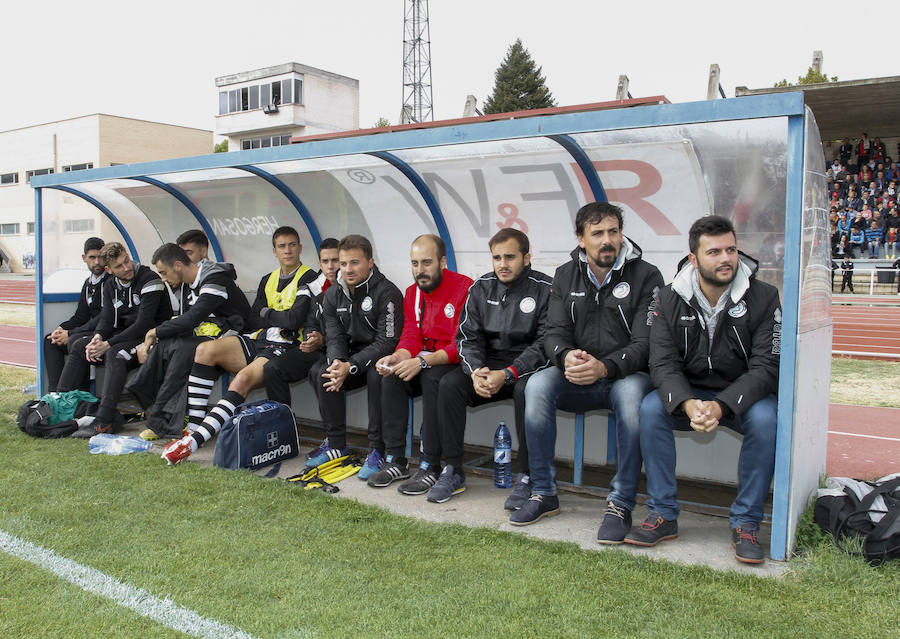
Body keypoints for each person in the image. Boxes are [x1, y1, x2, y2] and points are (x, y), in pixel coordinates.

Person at [629, 215, 780, 564]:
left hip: (741, 394)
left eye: (731, 250)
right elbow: (662, 363)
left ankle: (746, 523)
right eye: (714, 252)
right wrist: (686, 403)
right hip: (690, 392)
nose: (726, 258)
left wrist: (722, 406)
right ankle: (663, 514)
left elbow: (766, 368)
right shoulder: (667, 298)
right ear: (694, 259)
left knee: (767, 418)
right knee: (652, 408)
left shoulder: (765, 296)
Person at [510, 201, 664, 540]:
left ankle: (621, 503)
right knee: (535, 387)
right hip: (576, 372)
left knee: (631, 398)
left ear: (622, 235)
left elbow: (646, 343)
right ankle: (543, 492)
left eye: (613, 232)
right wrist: (565, 357)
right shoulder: (565, 274)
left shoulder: (647, 275)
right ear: (581, 239)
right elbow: (553, 333)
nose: (607, 240)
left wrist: (605, 367)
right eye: (597, 234)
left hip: (624, 375)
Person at [161, 229, 322, 464]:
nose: (287, 250)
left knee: (242, 379)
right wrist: (276, 317)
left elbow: (294, 320)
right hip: (259, 336)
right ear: (274, 251)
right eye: (282, 246)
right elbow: (252, 317)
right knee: (205, 350)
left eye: (292, 245)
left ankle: (193, 442)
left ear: (299, 247)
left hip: (286, 344)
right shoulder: (268, 278)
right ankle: (193, 427)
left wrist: (268, 313)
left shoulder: (309, 277)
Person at [429, 228, 552, 505]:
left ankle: (528, 476)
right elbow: (466, 338)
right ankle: (453, 470)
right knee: (449, 385)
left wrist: (509, 373)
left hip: (526, 368)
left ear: (527, 257)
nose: (502, 264)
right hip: (487, 367)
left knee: (526, 392)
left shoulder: (546, 289)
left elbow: (546, 344)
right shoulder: (481, 287)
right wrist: (476, 372)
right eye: (496, 257)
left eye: (510, 257)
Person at [365, 235, 473, 490]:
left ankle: (431, 464)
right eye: (414, 264)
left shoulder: (464, 288)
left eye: (426, 263)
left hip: (450, 362)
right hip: (424, 361)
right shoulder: (412, 293)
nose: (420, 271)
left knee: (435, 379)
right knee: (391, 376)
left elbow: (462, 343)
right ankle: (395, 459)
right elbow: (411, 335)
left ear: (443, 261)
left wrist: (423, 363)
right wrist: (398, 356)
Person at [303, 234, 404, 468]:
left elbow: (386, 343)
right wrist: (338, 363)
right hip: (350, 356)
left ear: (370, 262)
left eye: (355, 262)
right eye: (344, 263)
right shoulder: (333, 294)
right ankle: (337, 445)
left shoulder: (387, 293)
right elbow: (334, 335)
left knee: (376, 374)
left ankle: (377, 450)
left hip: (381, 356)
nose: (348, 269)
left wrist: (350, 366)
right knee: (323, 370)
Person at [56, 242, 170, 437]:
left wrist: (107, 344)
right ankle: (58, 405)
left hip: (152, 337)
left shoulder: (149, 279)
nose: (126, 268)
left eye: (126, 260)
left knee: (115, 354)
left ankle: (103, 420)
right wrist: (97, 338)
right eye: (119, 266)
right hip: (126, 336)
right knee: (80, 345)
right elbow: (107, 319)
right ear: (109, 269)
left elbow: (144, 324)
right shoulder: (110, 284)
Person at [262, 237, 340, 406]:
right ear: (320, 264)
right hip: (319, 347)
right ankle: (284, 424)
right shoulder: (316, 286)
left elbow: (353, 329)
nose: (331, 266)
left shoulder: (352, 286)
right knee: (272, 369)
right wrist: (310, 337)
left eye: (336, 260)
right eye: (325, 261)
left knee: (320, 373)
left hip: (344, 349)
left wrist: (323, 339)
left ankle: (333, 433)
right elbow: (310, 320)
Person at [42, 237, 107, 391]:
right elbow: (80, 316)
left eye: (100, 257)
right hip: (88, 330)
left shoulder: (111, 282)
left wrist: (70, 333)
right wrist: (60, 329)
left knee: (76, 341)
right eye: (92, 257)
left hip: (103, 332)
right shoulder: (88, 283)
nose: (97, 262)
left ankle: (79, 395)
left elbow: (105, 317)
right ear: (84, 258)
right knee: (50, 340)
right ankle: (54, 394)